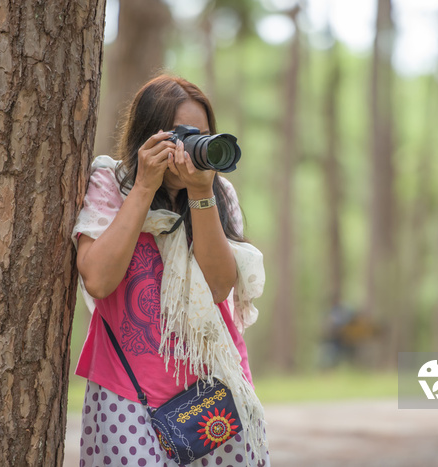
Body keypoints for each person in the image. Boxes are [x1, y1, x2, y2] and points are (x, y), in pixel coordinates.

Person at [71, 75, 269, 466]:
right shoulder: (112, 181)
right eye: (186, 135)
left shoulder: (217, 191)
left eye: (205, 135)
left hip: (215, 388)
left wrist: (200, 194)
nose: (197, 148)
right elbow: (98, 279)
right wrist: (145, 186)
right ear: (150, 136)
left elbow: (218, 287)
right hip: (127, 391)